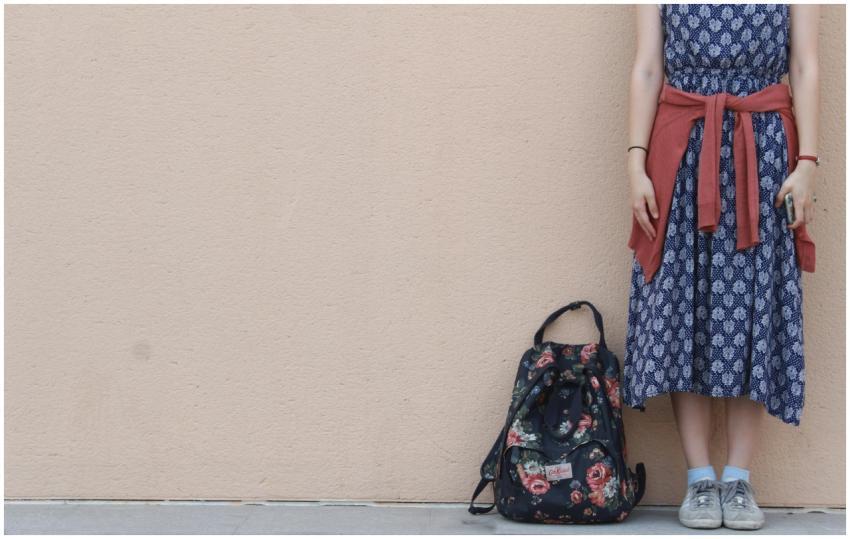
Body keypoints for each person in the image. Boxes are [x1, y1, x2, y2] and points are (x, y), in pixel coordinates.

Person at [623, 4, 820, 531]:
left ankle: (738, 478)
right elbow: (648, 65)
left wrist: (808, 163)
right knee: (685, 301)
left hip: (765, 150)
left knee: (755, 302)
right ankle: (699, 480)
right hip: (681, 146)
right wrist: (635, 162)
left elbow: (804, 65)